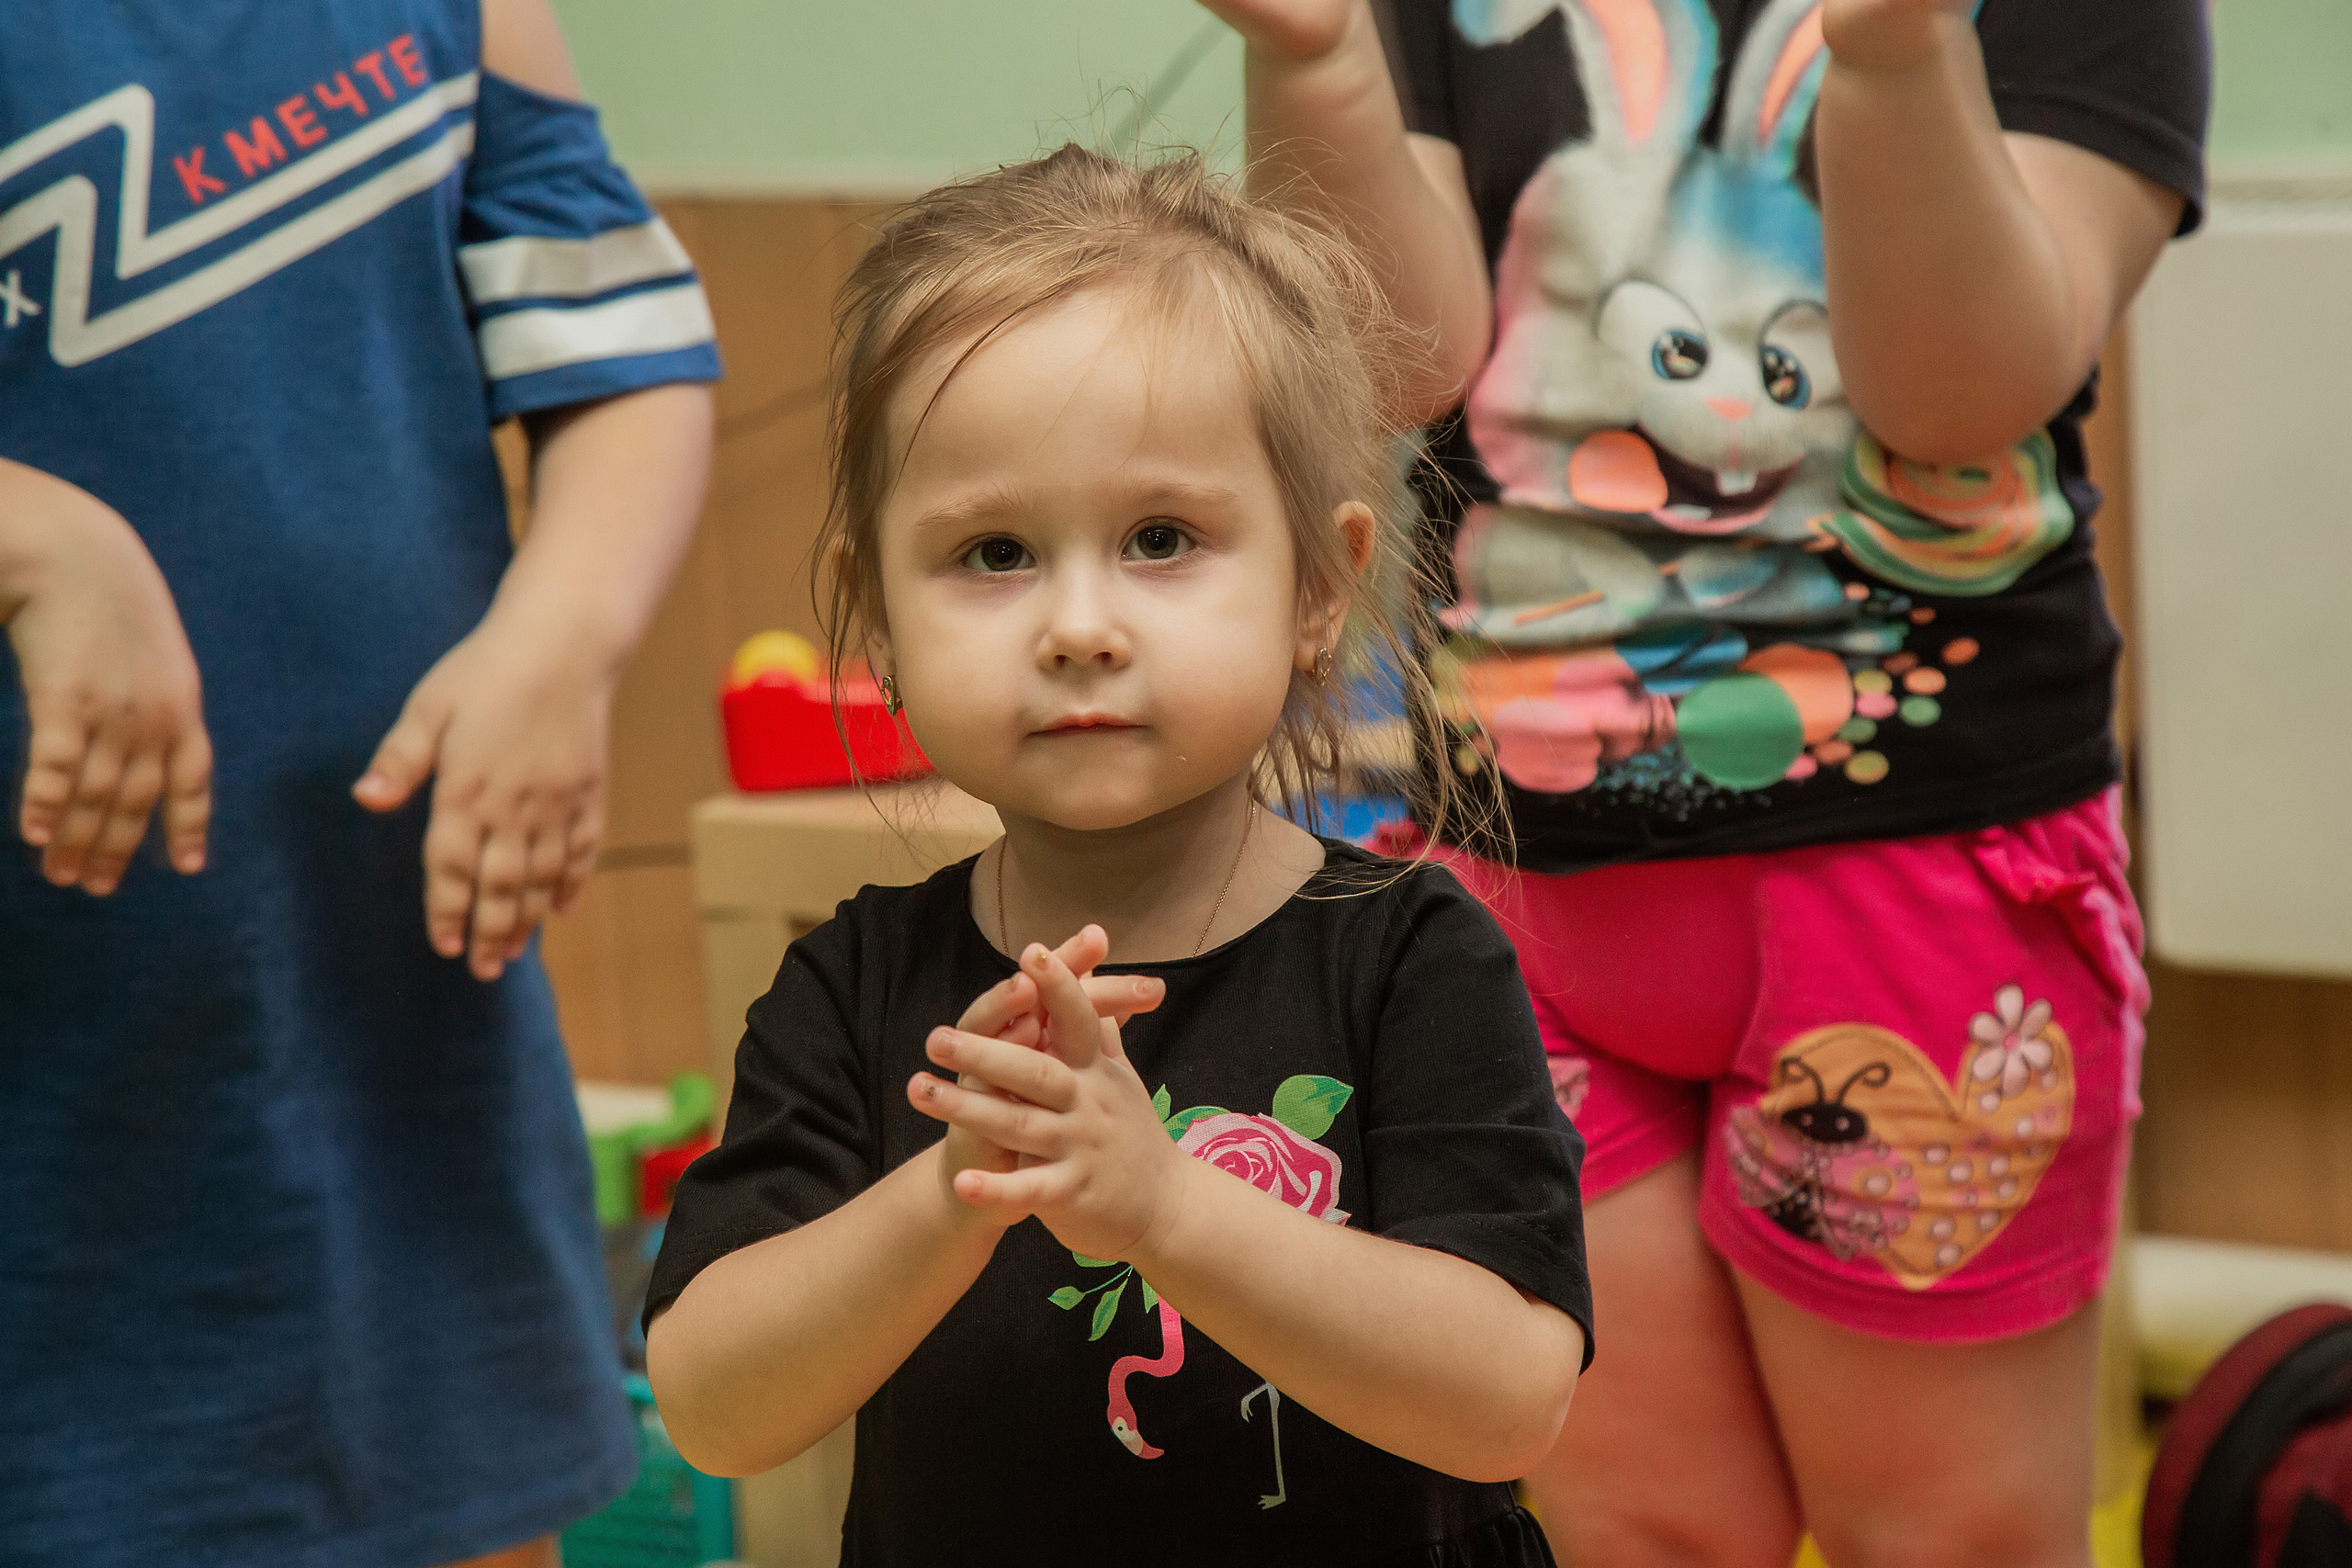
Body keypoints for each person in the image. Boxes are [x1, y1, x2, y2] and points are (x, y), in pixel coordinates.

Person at [1187, 0, 2210, 1564]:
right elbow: (1387, 367)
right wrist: (1319, 54)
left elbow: (1966, 392)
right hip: (1523, 889)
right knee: (1640, 1529)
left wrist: (1891, 56)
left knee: (1946, 1534)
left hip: (1914, 875)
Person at [642, 146, 1592, 1567]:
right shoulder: (851, 987)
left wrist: (1159, 1207)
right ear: (876, 615)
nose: (1078, 624)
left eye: (1161, 538)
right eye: (993, 553)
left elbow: (1508, 1402)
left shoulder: (1412, 958)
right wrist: (959, 1180)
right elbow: (714, 1405)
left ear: (1320, 587)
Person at [0, 2, 718, 1564]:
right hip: (50, 1114)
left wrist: (562, 637)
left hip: (396, 1070)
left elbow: (622, 353)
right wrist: (29, 534)